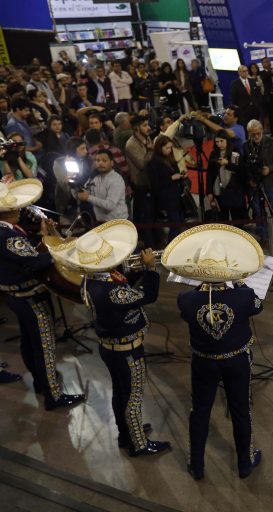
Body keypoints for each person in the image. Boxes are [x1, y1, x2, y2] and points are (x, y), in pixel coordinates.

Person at [49, 221, 170, 457]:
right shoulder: (110, 291)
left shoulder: (92, 279)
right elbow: (148, 295)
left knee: (120, 393)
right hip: (127, 351)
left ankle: (126, 432)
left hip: (110, 348)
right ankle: (139, 444)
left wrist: (137, 269)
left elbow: (122, 278)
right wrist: (151, 269)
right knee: (133, 398)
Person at [168, 226, 266, 480]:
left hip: (203, 363)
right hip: (236, 361)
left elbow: (186, 315)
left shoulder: (186, 299)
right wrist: (240, 280)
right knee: (240, 410)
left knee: (199, 412)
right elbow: (258, 306)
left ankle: (197, 465)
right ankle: (245, 463)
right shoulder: (243, 296)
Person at [0, 179, 86, 410]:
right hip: (30, 297)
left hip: (16, 297)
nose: (18, 210)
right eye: (13, 208)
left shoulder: (9, 231)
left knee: (30, 341)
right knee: (44, 346)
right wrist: (61, 250)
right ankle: (53, 395)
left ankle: (41, 383)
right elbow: (32, 261)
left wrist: (41, 237)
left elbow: (24, 250)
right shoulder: (6, 235)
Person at [241, 120, 273, 243]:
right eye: (252, 134)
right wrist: (250, 179)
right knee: (258, 211)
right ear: (248, 133)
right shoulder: (246, 145)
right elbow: (245, 165)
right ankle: (263, 235)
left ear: (262, 131)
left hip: (270, 180)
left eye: (258, 133)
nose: (256, 136)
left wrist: (269, 169)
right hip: (254, 183)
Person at [147, 134, 186, 244]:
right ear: (160, 147)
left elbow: (175, 172)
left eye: (170, 148)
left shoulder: (169, 158)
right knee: (175, 224)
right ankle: (171, 246)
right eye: (167, 148)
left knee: (179, 222)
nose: (169, 150)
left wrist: (181, 176)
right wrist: (171, 178)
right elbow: (155, 184)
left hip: (176, 196)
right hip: (166, 199)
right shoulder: (153, 163)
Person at [125, 115, 156, 248]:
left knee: (152, 216)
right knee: (145, 218)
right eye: (145, 125)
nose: (148, 128)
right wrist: (150, 151)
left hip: (151, 184)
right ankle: (149, 247)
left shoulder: (146, 138)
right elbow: (142, 164)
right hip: (141, 186)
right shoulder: (131, 144)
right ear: (137, 128)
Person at [77, 149, 128, 223]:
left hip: (117, 223)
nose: (100, 163)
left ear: (112, 163)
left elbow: (110, 205)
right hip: (100, 221)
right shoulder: (94, 177)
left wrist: (88, 197)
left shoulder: (116, 180)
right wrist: (75, 185)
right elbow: (84, 192)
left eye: (104, 160)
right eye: (97, 160)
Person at [206, 130, 246, 221]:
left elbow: (238, 169)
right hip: (218, 190)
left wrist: (227, 163)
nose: (219, 144)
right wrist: (209, 191)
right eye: (216, 142)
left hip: (233, 190)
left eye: (221, 141)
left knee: (237, 218)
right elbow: (210, 174)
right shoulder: (214, 154)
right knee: (222, 218)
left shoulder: (234, 152)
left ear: (227, 140)